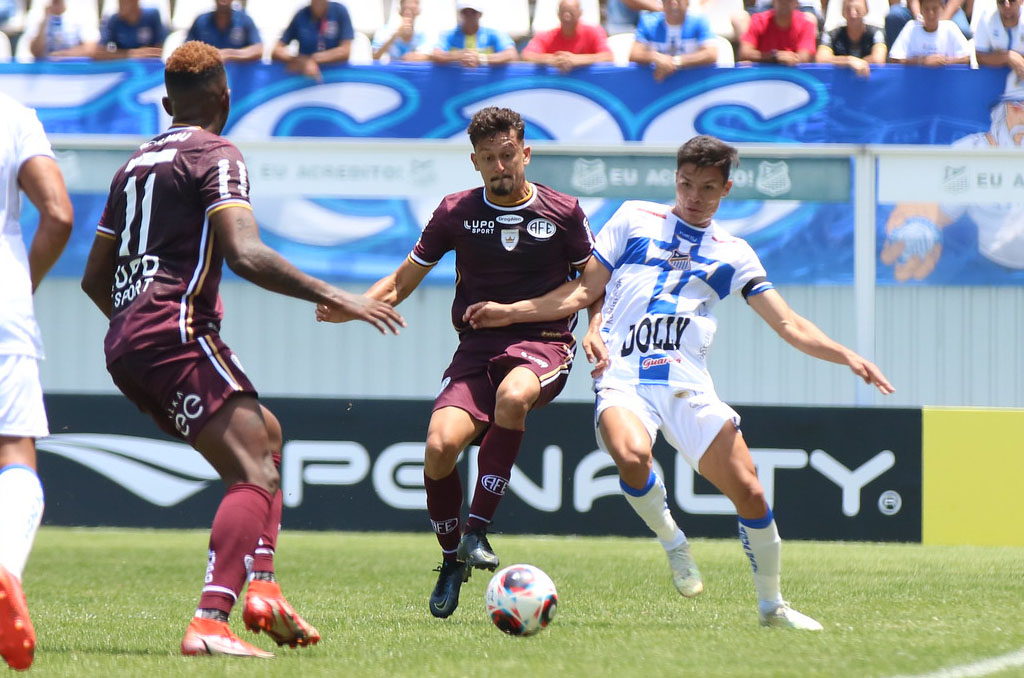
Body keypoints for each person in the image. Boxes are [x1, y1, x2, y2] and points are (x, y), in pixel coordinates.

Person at [463, 134, 895, 630]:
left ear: (726, 189)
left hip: (687, 388)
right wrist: (520, 315)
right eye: (687, 184)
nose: (694, 196)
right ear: (676, 179)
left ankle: (772, 607)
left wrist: (847, 357)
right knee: (631, 456)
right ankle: (673, 540)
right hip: (623, 378)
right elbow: (583, 290)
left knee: (751, 493)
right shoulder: (633, 219)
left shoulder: (734, 253)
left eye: (707, 188)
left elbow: (789, 324)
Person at [80, 41, 405, 658]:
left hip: (126, 342)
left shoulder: (132, 164)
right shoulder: (217, 152)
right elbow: (245, 252)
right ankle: (212, 619)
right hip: (173, 333)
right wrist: (346, 297)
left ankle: (264, 588)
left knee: (268, 437)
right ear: (225, 100)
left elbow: (96, 278)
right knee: (252, 471)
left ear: (167, 101)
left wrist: (135, 328)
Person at [316, 106, 595, 620]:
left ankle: (477, 531)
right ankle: (452, 560)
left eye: (507, 155)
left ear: (525, 153)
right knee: (440, 446)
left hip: (544, 342)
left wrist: (591, 329)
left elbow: (591, 283)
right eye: (488, 158)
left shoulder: (563, 212)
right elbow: (403, 280)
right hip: (476, 350)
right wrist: (356, 306)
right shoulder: (455, 213)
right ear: (474, 162)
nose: (499, 166)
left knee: (514, 396)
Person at [0, 92, 73, 672]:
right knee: (14, 451)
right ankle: (4, 569)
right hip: (3, 308)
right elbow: (58, 214)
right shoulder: (14, 116)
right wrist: (22, 285)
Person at [881, 85, 1024, 280]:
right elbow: (939, 204)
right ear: (1001, 112)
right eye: (1018, 108)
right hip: (988, 267)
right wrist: (918, 223)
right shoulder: (972, 151)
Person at [628, 0, 719, 81]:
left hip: (691, 84)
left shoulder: (700, 21)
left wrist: (675, 61)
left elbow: (711, 54)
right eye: (669, 0)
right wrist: (656, 57)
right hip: (656, 84)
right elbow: (635, 54)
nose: (674, 3)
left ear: (687, 2)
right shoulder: (648, 22)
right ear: (662, 3)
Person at [272, 0, 355, 81]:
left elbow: (345, 51)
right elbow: (276, 50)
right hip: (304, 81)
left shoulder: (339, 11)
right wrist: (299, 61)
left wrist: (313, 59)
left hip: (334, 79)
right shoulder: (301, 15)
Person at [521, 0, 614, 73]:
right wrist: (553, 60)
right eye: (563, 12)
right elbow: (527, 55)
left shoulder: (594, 32)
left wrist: (577, 60)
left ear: (580, 13)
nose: (567, 16)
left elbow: (608, 56)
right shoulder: (548, 36)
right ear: (558, 14)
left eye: (571, 12)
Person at [432, 0, 518, 67]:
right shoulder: (448, 35)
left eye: (473, 12)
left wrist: (481, 58)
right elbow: (436, 54)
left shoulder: (494, 34)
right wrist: (459, 56)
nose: (469, 16)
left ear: (480, 14)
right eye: (465, 12)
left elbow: (511, 54)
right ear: (460, 14)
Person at [816, 0, 887, 76]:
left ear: (866, 11)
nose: (853, 14)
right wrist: (849, 61)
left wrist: (860, 63)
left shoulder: (876, 33)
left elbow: (878, 59)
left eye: (858, 10)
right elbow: (821, 59)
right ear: (843, 13)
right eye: (848, 10)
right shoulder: (832, 34)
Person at [888, 0, 971, 64]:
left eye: (934, 9)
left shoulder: (950, 27)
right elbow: (895, 59)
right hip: (916, 82)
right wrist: (922, 61)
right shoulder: (911, 27)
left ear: (941, 9)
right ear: (921, 10)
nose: (931, 14)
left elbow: (967, 58)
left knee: (965, 30)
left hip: (945, 82)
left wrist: (943, 62)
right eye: (927, 10)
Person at [738, 0, 816, 64]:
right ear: (773, 2)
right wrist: (774, 56)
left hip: (793, 77)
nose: (784, 2)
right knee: (745, 64)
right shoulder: (758, 20)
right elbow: (744, 53)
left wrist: (786, 58)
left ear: (796, 3)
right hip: (762, 77)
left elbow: (804, 57)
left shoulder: (806, 24)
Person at [186, 0, 262, 63]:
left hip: (236, 79)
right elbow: (186, 49)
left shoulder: (244, 20)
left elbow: (258, 49)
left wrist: (228, 55)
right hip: (207, 78)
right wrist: (211, 55)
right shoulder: (200, 21)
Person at [23, 0, 100, 59]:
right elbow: (35, 51)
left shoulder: (83, 6)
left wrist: (62, 56)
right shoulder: (38, 6)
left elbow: (90, 48)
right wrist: (45, 20)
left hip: (77, 71)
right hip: (45, 72)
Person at [93, 0, 166, 60]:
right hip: (125, 69)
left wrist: (145, 54)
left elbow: (161, 49)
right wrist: (129, 54)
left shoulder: (152, 15)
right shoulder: (114, 20)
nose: (121, 5)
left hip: (150, 67)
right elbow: (99, 52)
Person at [974, 0, 1024, 78]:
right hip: (995, 82)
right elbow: (980, 56)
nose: (1007, 5)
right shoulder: (987, 17)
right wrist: (1007, 57)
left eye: (1012, 0)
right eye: (1001, 1)